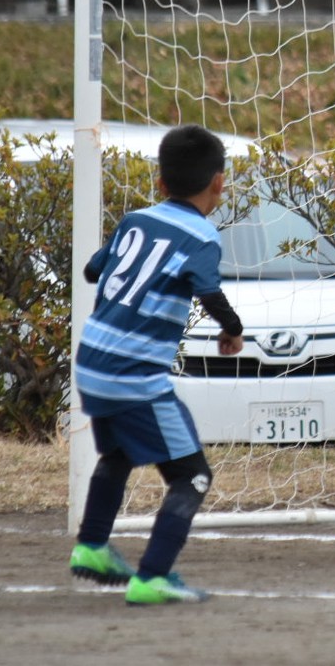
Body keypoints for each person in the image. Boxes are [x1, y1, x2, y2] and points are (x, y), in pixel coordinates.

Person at [68, 124, 245, 605]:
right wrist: (233, 330)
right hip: (134, 373)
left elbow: (91, 269)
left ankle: (92, 548)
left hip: (92, 361)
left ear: (161, 184)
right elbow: (208, 290)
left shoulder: (134, 220)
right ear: (219, 184)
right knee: (192, 476)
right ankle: (153, 577)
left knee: (120, 452)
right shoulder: (202, 235)